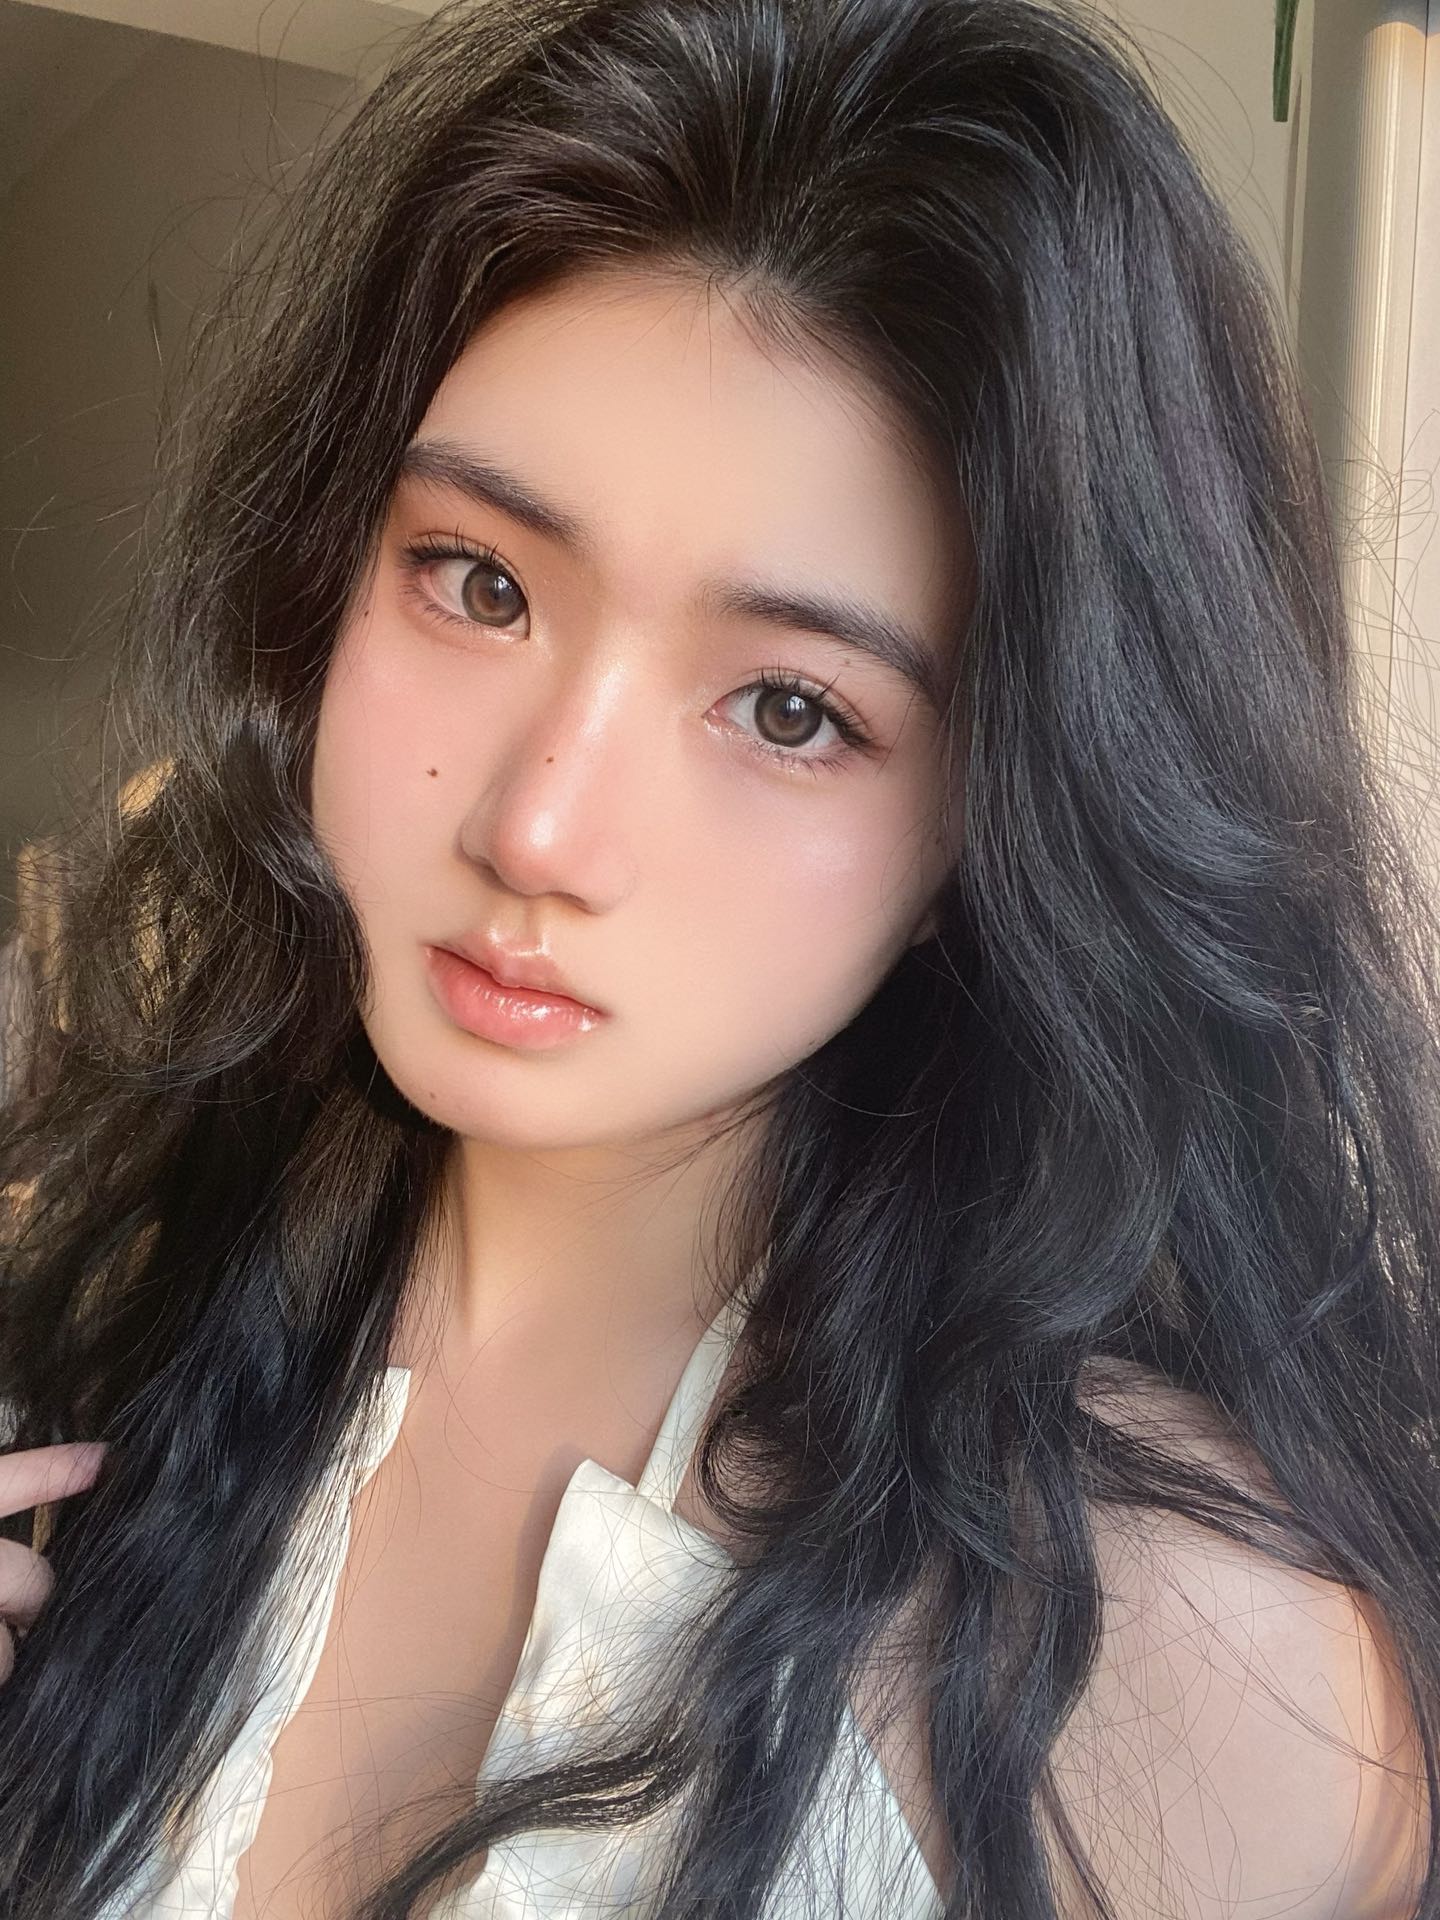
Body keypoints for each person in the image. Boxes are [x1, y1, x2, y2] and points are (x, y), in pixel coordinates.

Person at [0, 0, 1435, 1914]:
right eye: (479, 583)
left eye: (788, 709)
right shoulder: (137, 1329)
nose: (539, 829)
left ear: (997, 822)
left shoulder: (1182, 1668)